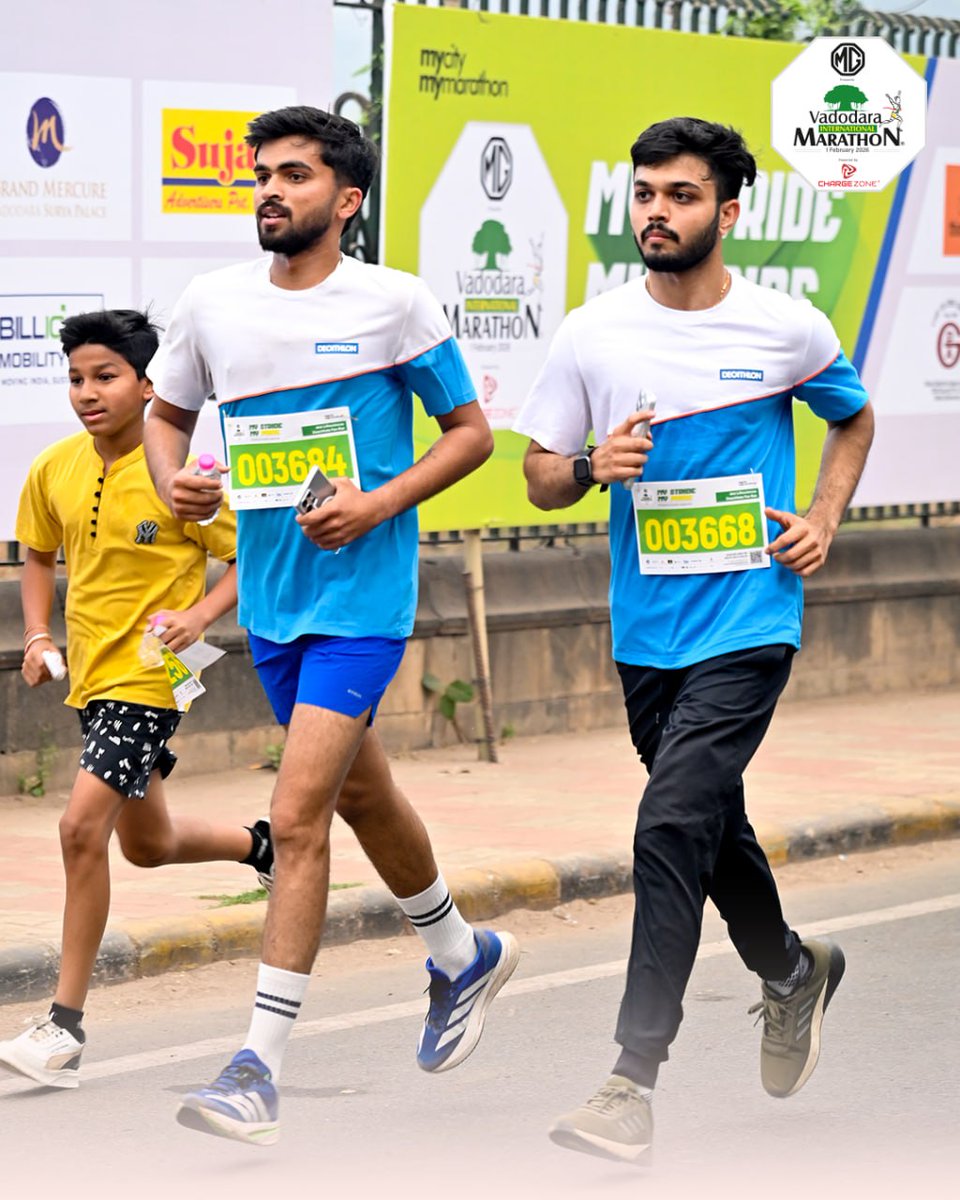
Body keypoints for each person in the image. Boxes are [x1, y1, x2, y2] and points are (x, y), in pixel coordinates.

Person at [143, 105, 519, 1147]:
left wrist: (377, 504)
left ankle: (256, 1066)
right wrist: (173, 480)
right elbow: (165, 415)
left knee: (299, 814)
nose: (269, 189)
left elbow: (471, 434)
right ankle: (460, 955)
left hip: (361, 600)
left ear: (346, 201)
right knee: (362, 788)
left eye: (295, 174)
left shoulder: (395, 304)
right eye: (260, 173)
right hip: (270, 601)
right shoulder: (211, 305)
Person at [514, 117, 874, 1165]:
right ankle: (794, 971)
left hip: (752, 618)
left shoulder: (785, 327)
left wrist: (825, 518)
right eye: (644, 195)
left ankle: (631, 1080)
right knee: (711, 827)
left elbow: (850, 417)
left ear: (728, 209)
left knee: (668, 824)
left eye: (679, 195)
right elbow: (537, 476)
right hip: (648, 634)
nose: (656, 213)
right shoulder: (594, 332)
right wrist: (591, 465)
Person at [0, 309, 274, 1091]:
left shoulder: (182, 480)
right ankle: (264, 847)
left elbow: (252, 560)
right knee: (144, 843)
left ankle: (63, 1028)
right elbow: (38, 552)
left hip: (152, 680)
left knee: (80, 829)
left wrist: (198, 616)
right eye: (77, 378)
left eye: (106, 376)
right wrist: (32, 635)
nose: (87, 392)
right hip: (90, 677)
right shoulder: (54, 467)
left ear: (150, 387)